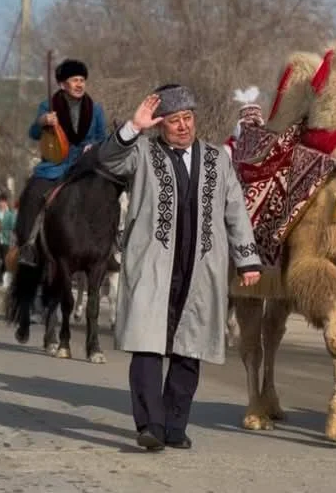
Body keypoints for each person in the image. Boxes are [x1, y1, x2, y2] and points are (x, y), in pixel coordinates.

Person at [96, 85, 262, 452]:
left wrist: (247, 259)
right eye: (174, 121)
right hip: (153, 265)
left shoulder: (219, 159)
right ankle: (150, 425)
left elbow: (236, 211)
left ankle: (175, 425)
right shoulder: (140, 152)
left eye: (188, 118)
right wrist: (131, 128)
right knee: (147, 346)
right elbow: (107, 160)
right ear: (160, 125)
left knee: (190, 349)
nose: (183, 126)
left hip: (201, 267)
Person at [14, 58, 107, 266]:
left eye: (82, 80)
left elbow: (103, 137)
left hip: (85, 167)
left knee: (111, 194)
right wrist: (43, 121)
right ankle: (27, 246)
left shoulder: (96, 109)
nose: (80, 84)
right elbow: (34, 133)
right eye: (75, 80)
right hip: (54, 167)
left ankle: (108, 247)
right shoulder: (48, 106)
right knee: (32, 194)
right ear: (63, 84)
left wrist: (94, 146)